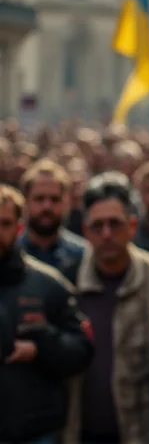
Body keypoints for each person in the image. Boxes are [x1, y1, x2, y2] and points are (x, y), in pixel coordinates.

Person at [65, 173, 149, 444]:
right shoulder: (69, 279)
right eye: (97, 226)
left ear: (132, 226)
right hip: (81, 430)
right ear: (85, 231)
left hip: (139, 430)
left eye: (115, 224)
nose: (107, 234)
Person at [0, 184, 94, 443]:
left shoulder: (49, 284)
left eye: (4, 223)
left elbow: (82, 349)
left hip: (35, 429)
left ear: (19, 228)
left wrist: (40, 346)